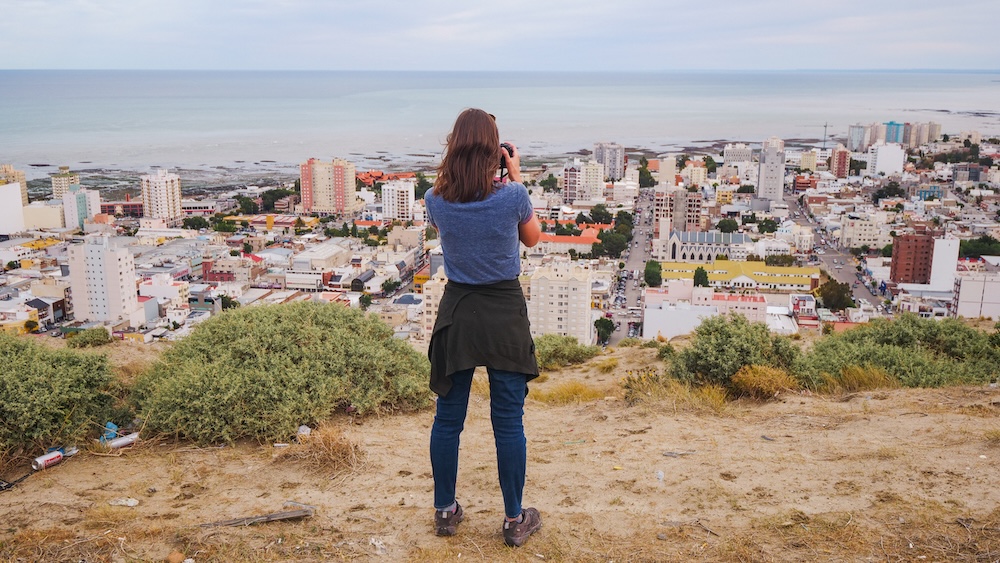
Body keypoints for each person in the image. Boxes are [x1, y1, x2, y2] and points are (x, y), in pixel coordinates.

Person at [424, 108, 543, 547]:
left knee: (448, 418)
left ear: (453, 147)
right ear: (495, 151)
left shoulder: (435, 199)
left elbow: (447, 228)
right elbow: (532, 238)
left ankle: (445, 510)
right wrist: (514, 177)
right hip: (504, 311)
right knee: (509, 421)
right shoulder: (512, 197)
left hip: (458, 310)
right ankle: (515, 519)